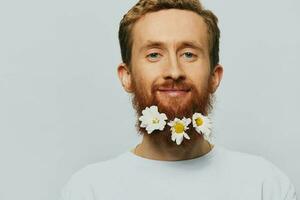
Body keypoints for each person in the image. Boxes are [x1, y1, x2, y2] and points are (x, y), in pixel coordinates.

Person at [59, 0, 297, 199]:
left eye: (188, 54)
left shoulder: (266, 186)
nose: (174, 70)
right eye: (154, 54)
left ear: (214, 77)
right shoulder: (88, 191)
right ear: (127, 77)